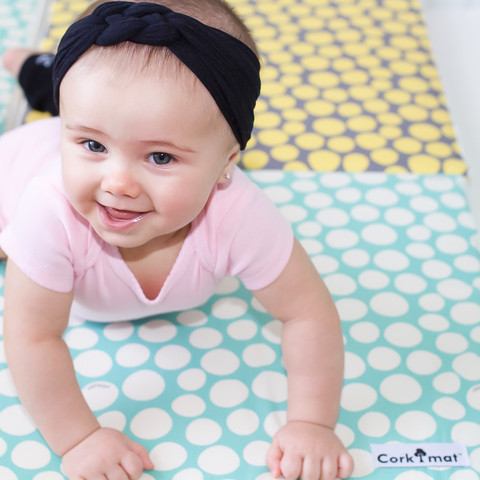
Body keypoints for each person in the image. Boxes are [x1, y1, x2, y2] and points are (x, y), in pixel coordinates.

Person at [0, 1, 354, 479]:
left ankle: (53, 87)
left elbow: (308, 313)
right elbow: (32, 337)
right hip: (12, 175)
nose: (118, 184)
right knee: (57, 105)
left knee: (95, 111)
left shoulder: (238, 214)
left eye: (161, 158)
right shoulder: (49, 211)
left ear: (227, 165)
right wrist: (80, 438)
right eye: (92, 145)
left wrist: (313, 423)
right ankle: (34, 67)